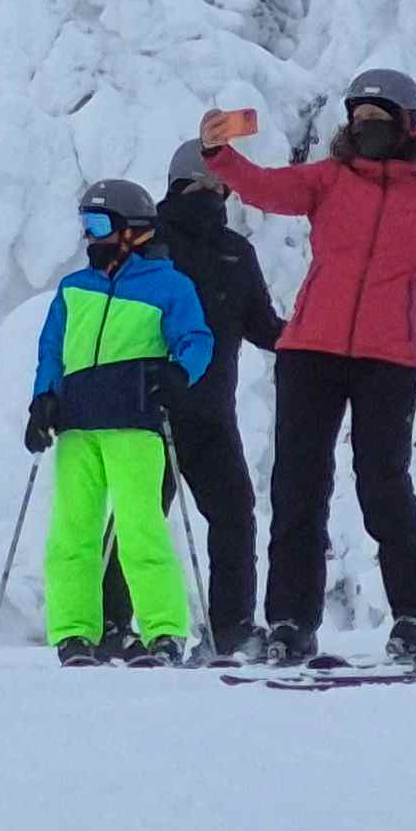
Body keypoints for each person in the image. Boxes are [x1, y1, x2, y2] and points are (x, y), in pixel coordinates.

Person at [200, 72, 416, 664]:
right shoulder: (328, 179)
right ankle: (290, 620)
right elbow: (264, 187)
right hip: (310, 351)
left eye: (379, 118)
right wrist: (219, 155)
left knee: (384, 486)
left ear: (409, 125)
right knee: (298, 487)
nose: (365, 127)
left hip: (389, 359)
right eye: (357, 116)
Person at [24, 178, 213, 667]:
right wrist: (43, 399)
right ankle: (73, 632)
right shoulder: (74, 289)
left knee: (139, 528)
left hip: (134, 424)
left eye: (99, 224)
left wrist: (178, 373)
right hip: (78, 426)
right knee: (72, 531)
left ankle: (165, 632)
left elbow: (196, 338)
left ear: (133, 231)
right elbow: (52, 348)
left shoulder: (168, 285)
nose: (90, 236)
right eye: (85, 224)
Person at [130, 141, 278, 661]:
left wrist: (310, 339)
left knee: (235, 515)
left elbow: (263, 325)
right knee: (140, 519)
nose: (214, 194)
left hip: (213, 412)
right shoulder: (149, 242)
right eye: (203, 184)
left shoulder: (237, 251)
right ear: (178, 185)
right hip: (153, 411)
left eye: (220, 186)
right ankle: (116, 628)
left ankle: (231, 630)